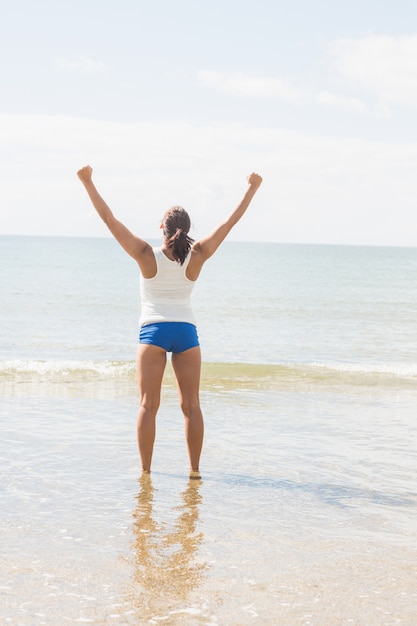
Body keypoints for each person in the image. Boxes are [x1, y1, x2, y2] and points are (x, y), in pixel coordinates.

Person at [77, 165, 262, 478]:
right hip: (186, 333)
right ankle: (194, 472)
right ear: (187, 230)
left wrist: (87, 182)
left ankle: (146, 472)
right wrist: (251, 189)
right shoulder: (199, 253)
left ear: (162, 225)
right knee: (191, 405)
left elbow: (109, 220)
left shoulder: (145, 254)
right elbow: (229, 223)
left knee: (148, 405)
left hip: (153, 332)